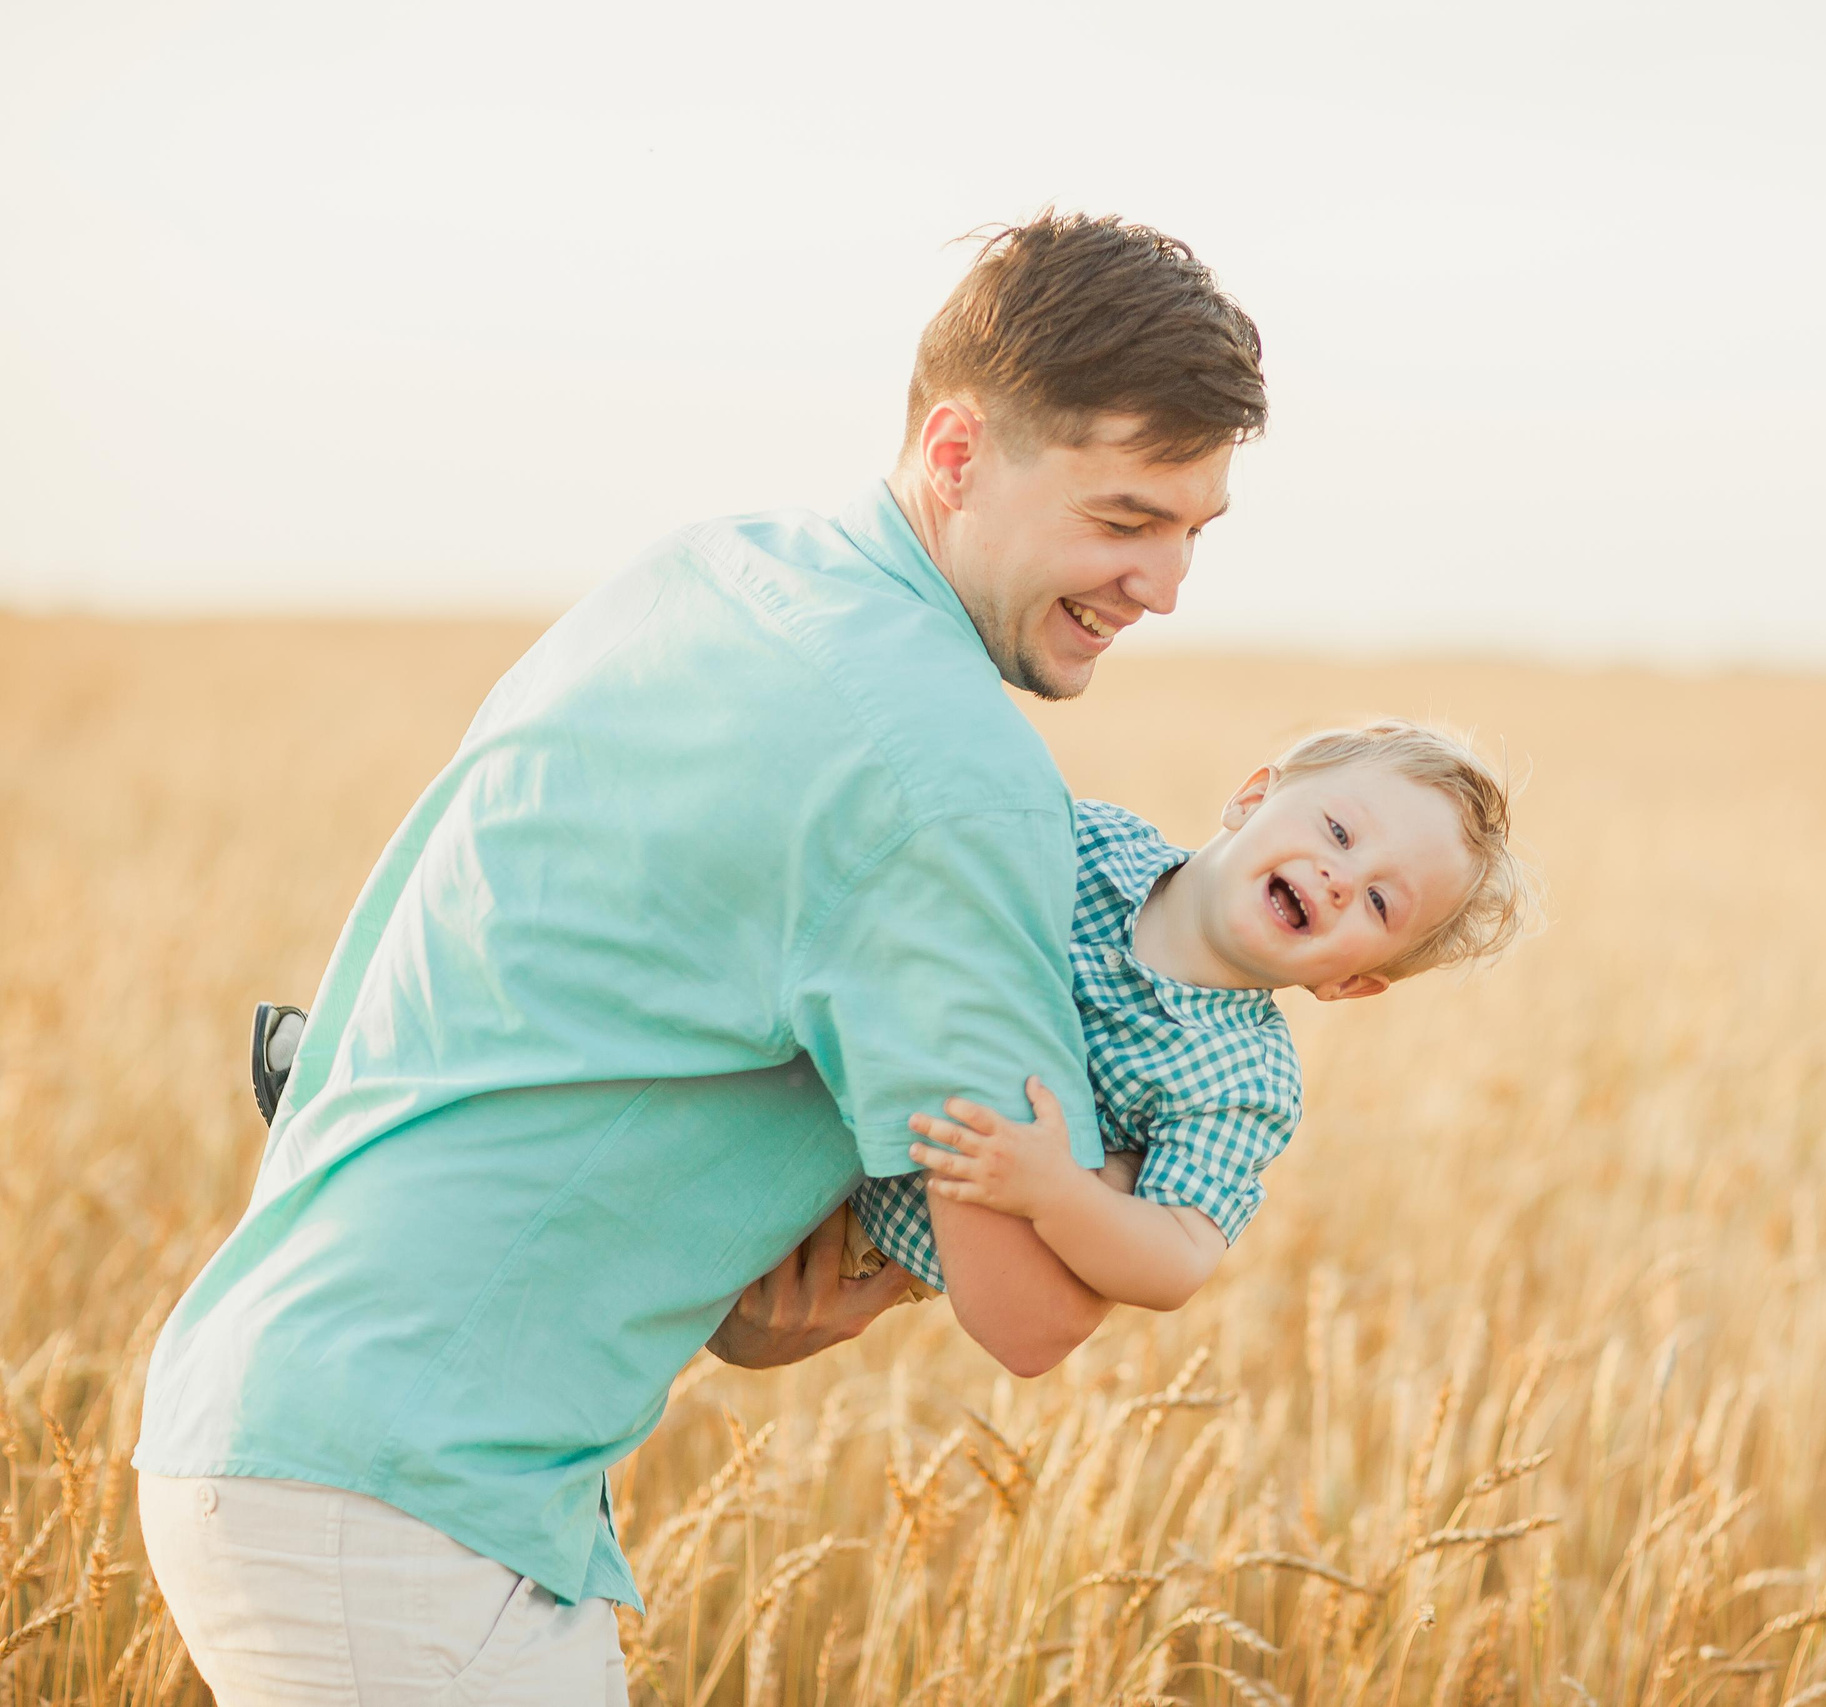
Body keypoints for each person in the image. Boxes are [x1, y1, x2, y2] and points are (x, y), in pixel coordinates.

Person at [132, 211, 1264, 1704]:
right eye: (1124, 518)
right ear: (956, 452)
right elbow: (1032, 1311)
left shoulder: (705, 575)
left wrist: (769, 1276)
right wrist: (1195, 1113)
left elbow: (596, 1033)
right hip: (413, 1509)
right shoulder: (948, 774)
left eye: (1195, 531)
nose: (1164, 584)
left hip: (279, 1417)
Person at [843, 721, 1534, 1311]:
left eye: (1380, 903)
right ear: (1250, 800)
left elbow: (1176, 1258)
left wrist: (1055, 1193)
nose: (1341, 879)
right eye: (1338, 831)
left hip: (871, 1228)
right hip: (840, 1069)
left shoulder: (1244, 1080)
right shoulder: (1095, 840)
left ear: (1347, 982)